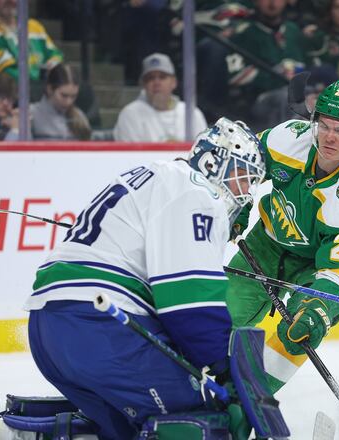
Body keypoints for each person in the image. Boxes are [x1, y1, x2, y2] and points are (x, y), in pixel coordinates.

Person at [24, 118, 267, 439]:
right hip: (100, 327)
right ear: (216, 161)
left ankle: (36, 432)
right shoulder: (198, 193)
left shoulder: (154, 173)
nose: (246, 191)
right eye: (243, 177)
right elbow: (189, 305)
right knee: (202, 419)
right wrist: (224, 370)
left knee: (123, 428)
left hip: (48, 329)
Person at [225, 80, 339, 393]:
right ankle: (207, 392)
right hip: (268, 243)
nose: (330, 136)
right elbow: (244, 164)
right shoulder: (288, 138)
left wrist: (317, 308)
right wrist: (236, 202)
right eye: (324, 125)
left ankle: (251, 398)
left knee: (298, 331)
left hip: (324, 266)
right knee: (219, 318)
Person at [114, 53, 208, 142]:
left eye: (162, 77)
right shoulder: (130, 113)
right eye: (150, 78)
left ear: (174, 82)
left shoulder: (191, 112)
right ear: (143, 84)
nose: (156, 82)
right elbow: (130, 156)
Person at [0, 0, 62, 80]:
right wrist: (45, 77)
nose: (13, 1)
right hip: (5, 97)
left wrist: (53, 67)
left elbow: (55, 55)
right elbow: (8, 73)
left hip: (39, 94)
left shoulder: (35, 26)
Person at [32, 63, 91, 141]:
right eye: (64, 95)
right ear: (50, 89)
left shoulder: (80, 117)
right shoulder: (30, 115)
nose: (68, 102)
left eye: (73, 96)